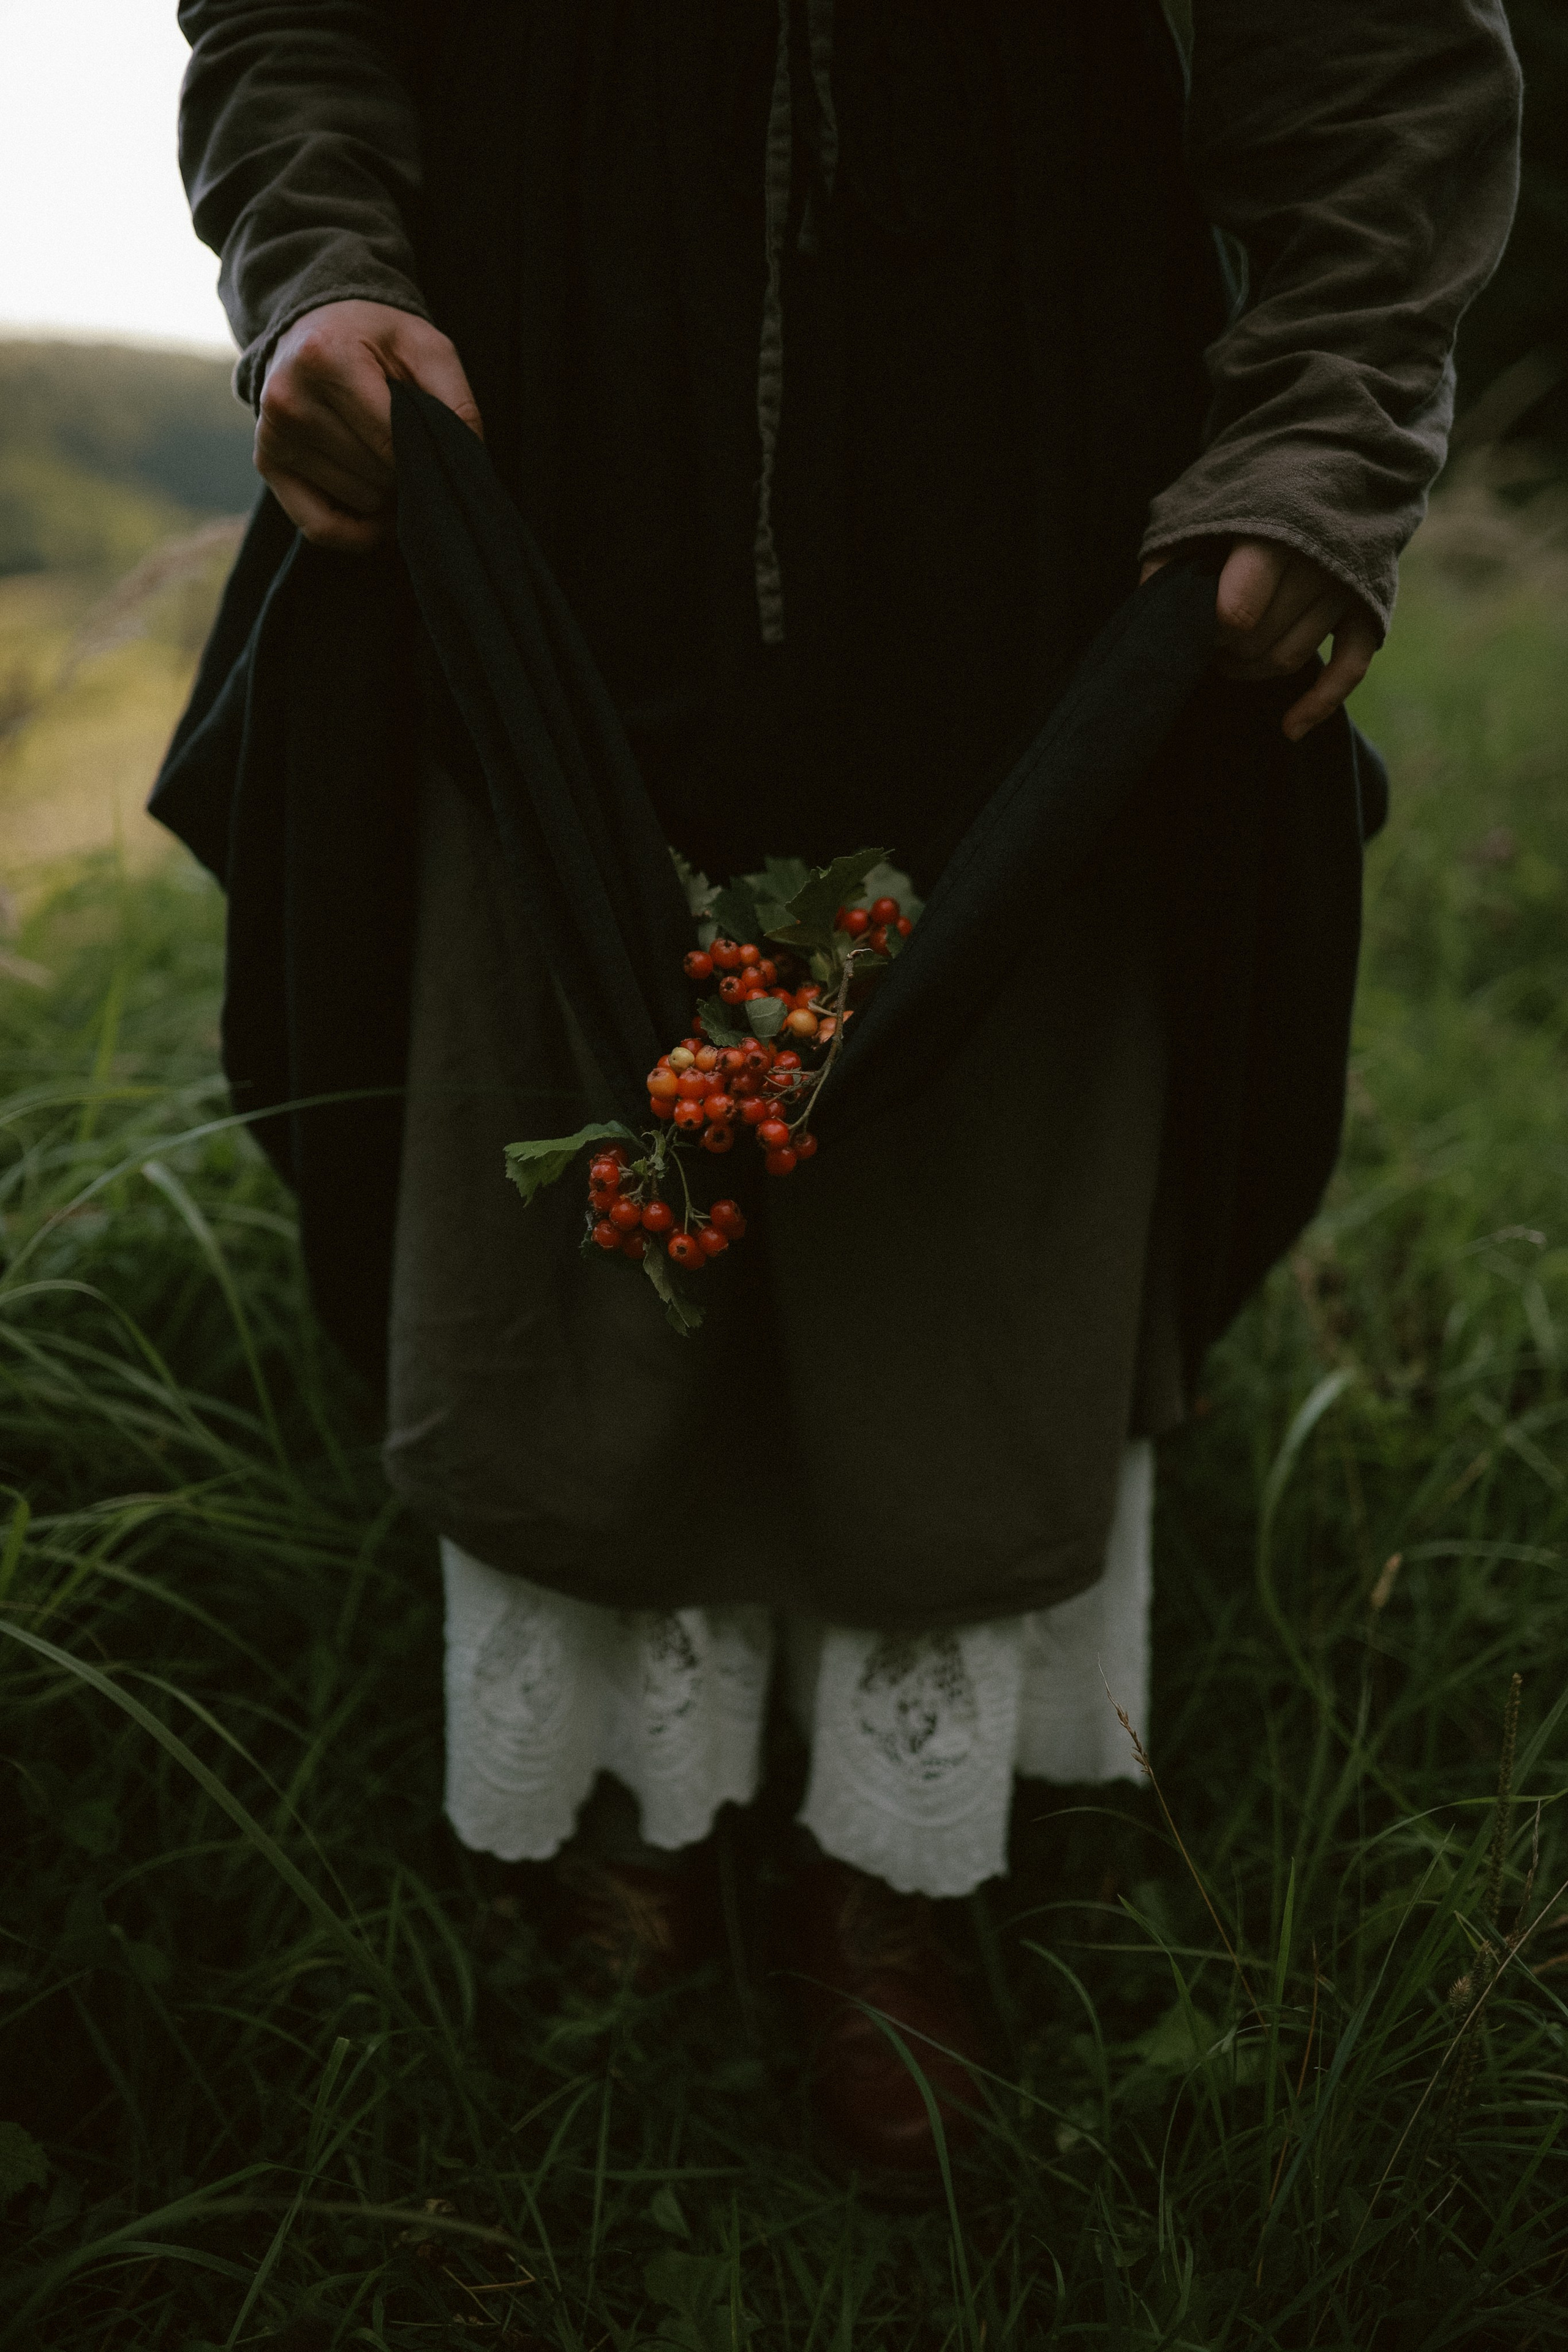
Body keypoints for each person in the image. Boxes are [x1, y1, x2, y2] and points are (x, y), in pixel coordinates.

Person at [164, 0, 1520, 2186]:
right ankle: (629, 1821)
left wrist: (1320, 433)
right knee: (574, 1226)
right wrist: (321, 263)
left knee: (983, 1226)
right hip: (545, 465)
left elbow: (1372, 67)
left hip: (1042, 486)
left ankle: (887, 1870)